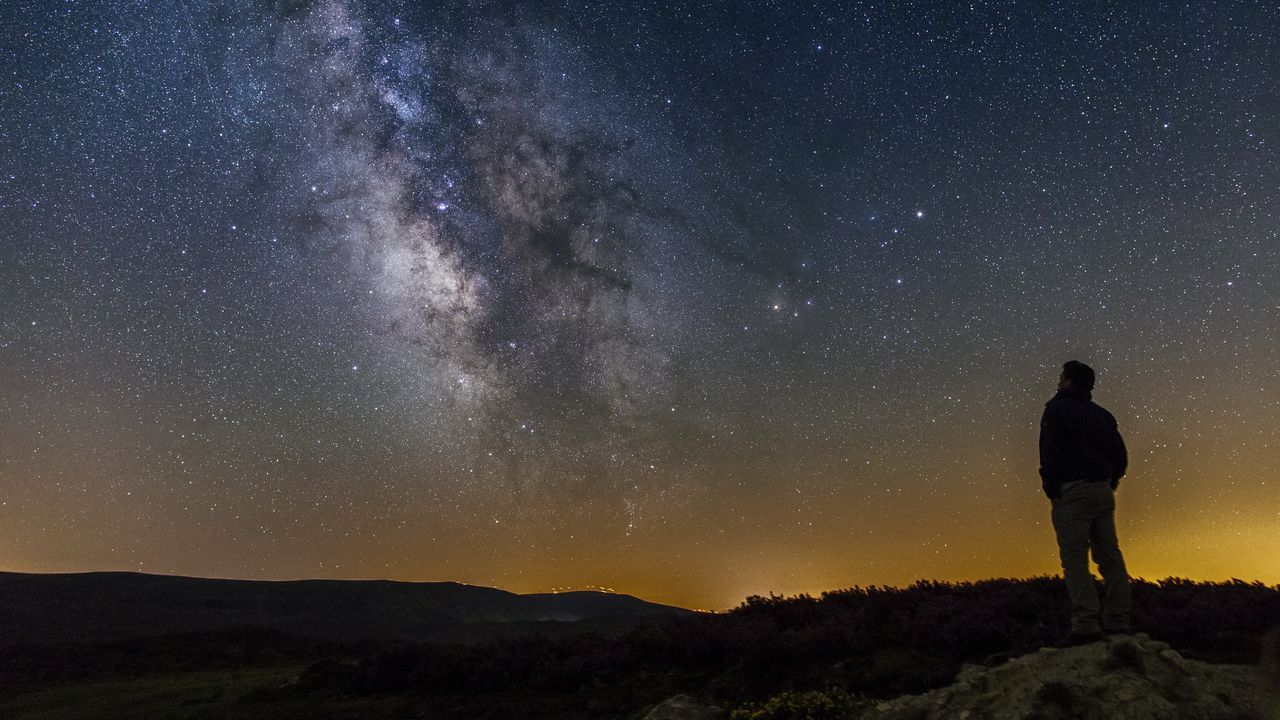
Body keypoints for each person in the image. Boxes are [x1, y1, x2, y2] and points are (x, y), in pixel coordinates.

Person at [1039, 360, 1131, 645]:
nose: (1057, 382)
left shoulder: (1056, 410)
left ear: (1068, 381)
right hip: (1102, 490)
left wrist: (1052, 488)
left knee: (1074, 559)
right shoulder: (1102, 415)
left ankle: (1086, 625)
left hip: (1073, 492)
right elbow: (1120, 456)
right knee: (1110, 556)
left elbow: (1049, 452)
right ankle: (1118, 622)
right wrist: (1111, 481)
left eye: (1061, 377)